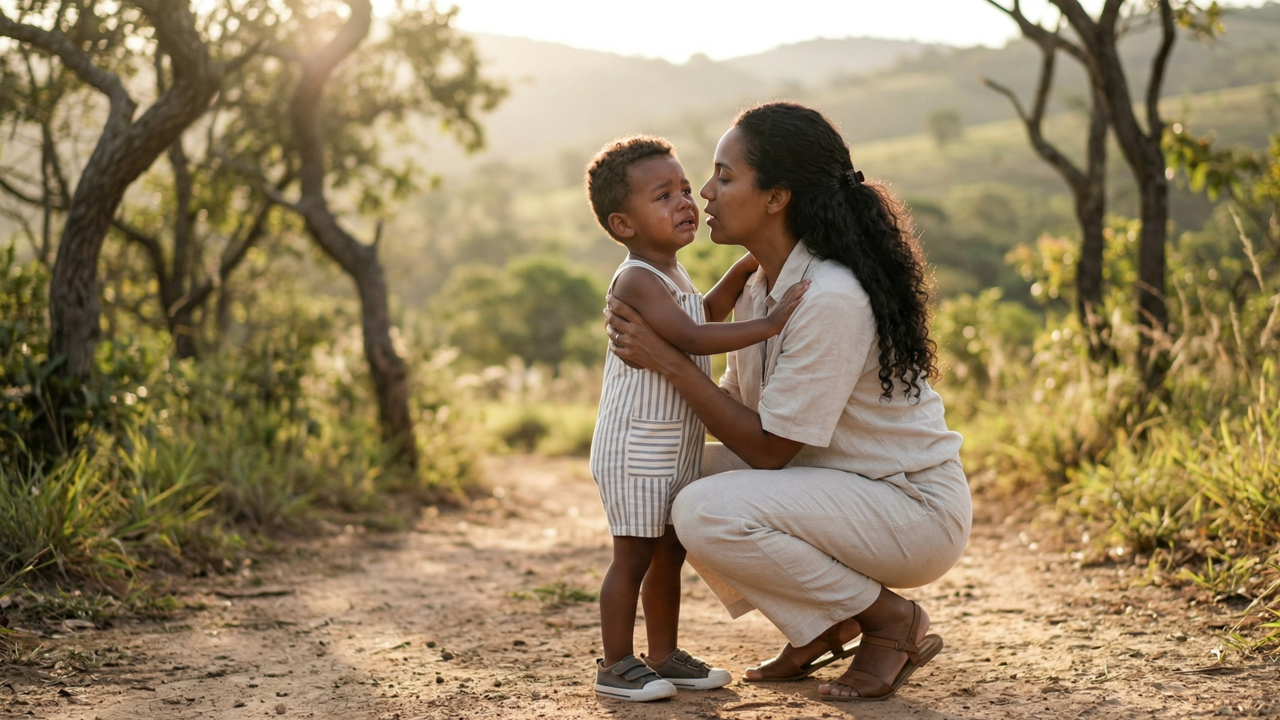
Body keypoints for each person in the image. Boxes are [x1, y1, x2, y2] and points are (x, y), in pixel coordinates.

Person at [604, 103, 972, 703]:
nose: (704, 192)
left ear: (776, 197)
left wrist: (667, 357)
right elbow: (732, 409)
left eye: (725, 176)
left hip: (909, 509)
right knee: (670, 477)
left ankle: (889, 623)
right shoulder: (759, 289)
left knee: (703, 509)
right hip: (833, 486)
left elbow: (769, 450)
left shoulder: (827, 296)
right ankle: (824, 622)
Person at [583, 135, 809, 702]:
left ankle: (663, 656)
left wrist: (746, 265)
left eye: (686, 189)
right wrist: (771, 322)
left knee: (669, 553)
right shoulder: (636, 278)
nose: (686, 202)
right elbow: (691, 336)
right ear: (623, 223)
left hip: (670, 444)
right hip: (636, 446)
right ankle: (616, 664)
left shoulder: (674, 276)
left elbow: (701, 313)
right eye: (664, 195)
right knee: (632, 557)